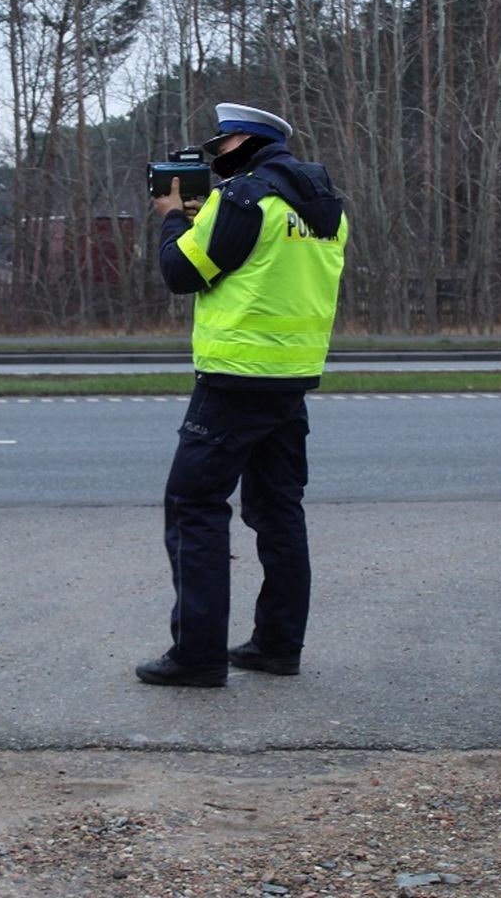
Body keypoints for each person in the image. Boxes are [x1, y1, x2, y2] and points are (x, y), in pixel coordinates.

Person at [137, 103, 348, 688]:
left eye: (220, 146)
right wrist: (209, 217)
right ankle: (279, 645)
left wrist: (173, 218)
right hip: (291, 378)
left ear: (245, 144)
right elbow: (262, 264)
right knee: (278, 510)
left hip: (234, 379)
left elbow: (181, 273)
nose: (213, 157)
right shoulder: (325, 207)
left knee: (194, 507)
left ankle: (197, 656)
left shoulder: (246, 200)